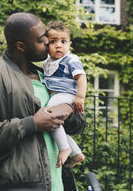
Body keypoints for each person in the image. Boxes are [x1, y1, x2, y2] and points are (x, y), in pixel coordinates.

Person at [0, 13, 85, 191]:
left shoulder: (48, 76)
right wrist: (31, 124)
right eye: (41, 39)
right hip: (19, 185)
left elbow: (78, 125)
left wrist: (69, 109)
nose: (48, 42)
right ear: (21, 46)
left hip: (57, 183)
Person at [43, 21, 86, 169]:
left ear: (70, 44)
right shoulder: (47, 61)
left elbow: (81, 77)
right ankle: (76, 153)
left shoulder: (71, 59)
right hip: (56, 95)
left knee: (49, 116)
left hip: (66, 94)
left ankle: (64, 149)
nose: (58, 45)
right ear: (46, 45)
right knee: (57, 126)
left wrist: (80, 97)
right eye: (53, 42)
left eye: (63, 41)